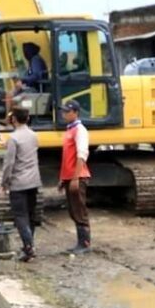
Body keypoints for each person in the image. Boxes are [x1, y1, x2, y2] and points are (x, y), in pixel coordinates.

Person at [0, 107, 42, 262]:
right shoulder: (33, 135)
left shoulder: (13, 138)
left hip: (18, 183)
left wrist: (4, 183)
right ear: (28, 118)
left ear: (14, 119)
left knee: (20, 216)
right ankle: (29, 246)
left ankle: (29, 247)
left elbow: (9, 163)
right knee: (30, 215)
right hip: (33, 181)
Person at [58, 99, 92, 254]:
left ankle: (84, 242)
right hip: (69, 176)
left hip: (77, 176)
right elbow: (66, 157)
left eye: (67, 111)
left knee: (79, 209)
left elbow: (81, 155)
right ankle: (81, 241)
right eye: (64, 111)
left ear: (75, 112)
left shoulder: (80, 130)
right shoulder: (69, 130)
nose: (64, 114)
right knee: (73, 210)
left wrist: (75, 178)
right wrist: (63, 178)